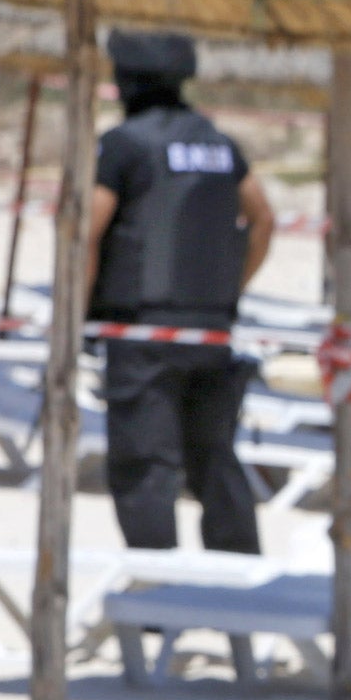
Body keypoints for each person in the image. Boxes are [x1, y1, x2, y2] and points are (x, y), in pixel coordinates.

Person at [86, 30, 274, 555]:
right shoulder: (217, 143)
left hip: (141, 328)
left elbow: (87, 232)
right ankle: (240, 587)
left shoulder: (124, 144)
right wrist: (226, 293)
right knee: (214, 459)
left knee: (145, 464)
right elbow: (263, 220)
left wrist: (77, 312)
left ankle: (157, 593)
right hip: (211, 328)